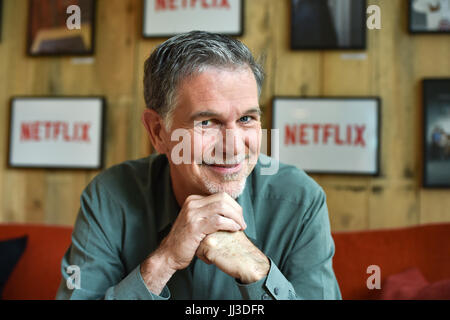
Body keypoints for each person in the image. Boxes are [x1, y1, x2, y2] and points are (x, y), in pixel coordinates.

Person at [56, 31, 341, 300]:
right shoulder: (109, 197)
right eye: (207, 122)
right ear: (157, 131)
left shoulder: (300, 200)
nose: (232, 146)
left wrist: (259, 271)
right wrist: (163, 262)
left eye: (246, 119)